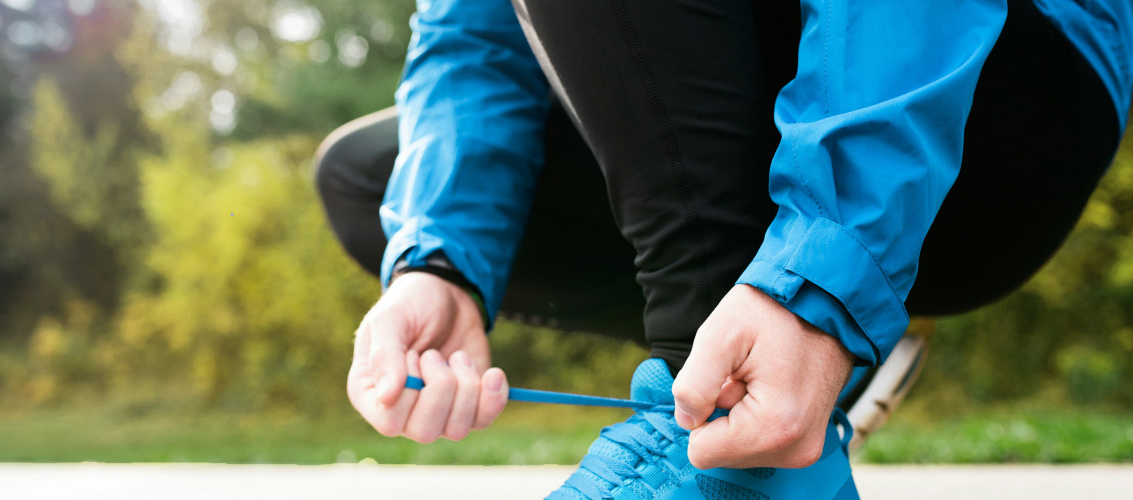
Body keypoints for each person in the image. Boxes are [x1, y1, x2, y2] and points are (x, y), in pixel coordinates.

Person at [316, 0, 1133, 498]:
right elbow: (478, 38)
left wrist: (822, 275)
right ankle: (741, 405)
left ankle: (735, 457)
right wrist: (441, 261)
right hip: (762, 105)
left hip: (996, 93)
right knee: (364, 181)